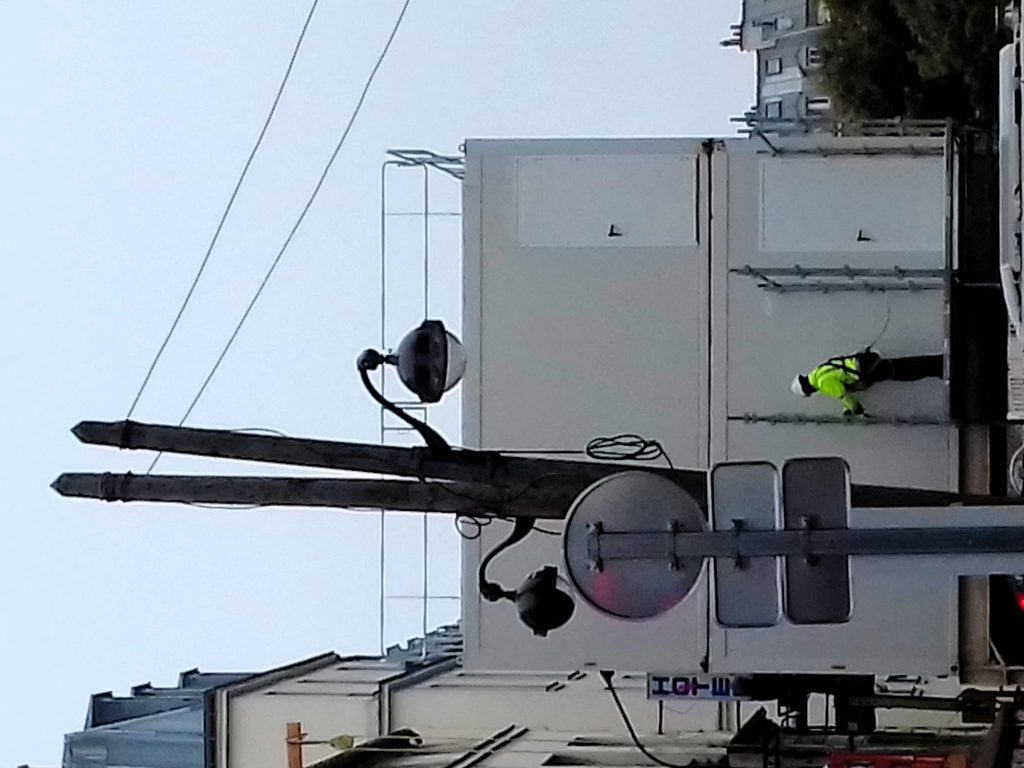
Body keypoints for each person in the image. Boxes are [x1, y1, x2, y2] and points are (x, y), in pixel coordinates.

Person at [790, 350, 943, 416]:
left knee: (905, 372)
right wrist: (847, 408)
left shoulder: (822, 383)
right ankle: (938, 362)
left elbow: (844, 395)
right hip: (865, 363)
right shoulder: (819, 371)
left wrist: (856, 409)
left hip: (868, 371)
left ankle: (938, 367)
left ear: (808, 390)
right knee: (903, 366)